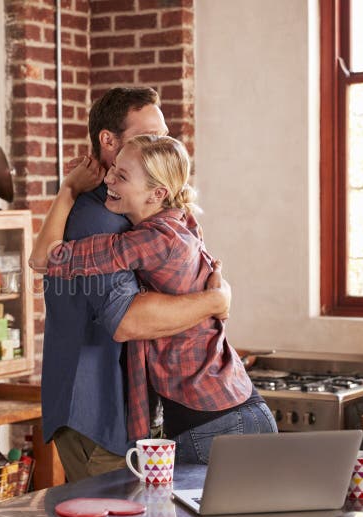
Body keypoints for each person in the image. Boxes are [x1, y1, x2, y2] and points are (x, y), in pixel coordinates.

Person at [33, 134, 277, 466]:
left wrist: (69, 191)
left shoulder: (152, 240)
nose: (108, 180)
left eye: (121, 175)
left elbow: (48, 259)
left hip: (209, 423)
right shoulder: (184, 223)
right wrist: (216, 300)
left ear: (157, 193)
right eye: (113, 169)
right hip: (244, 408)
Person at [37, 87, 234, 482]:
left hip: (124, 412)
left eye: (164, 136)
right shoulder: (98, 218)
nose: (160, 144)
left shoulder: (141, 212)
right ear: (108, 142)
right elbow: (128, 321)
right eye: (150, 135)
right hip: (98, 410)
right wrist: (214, 300)